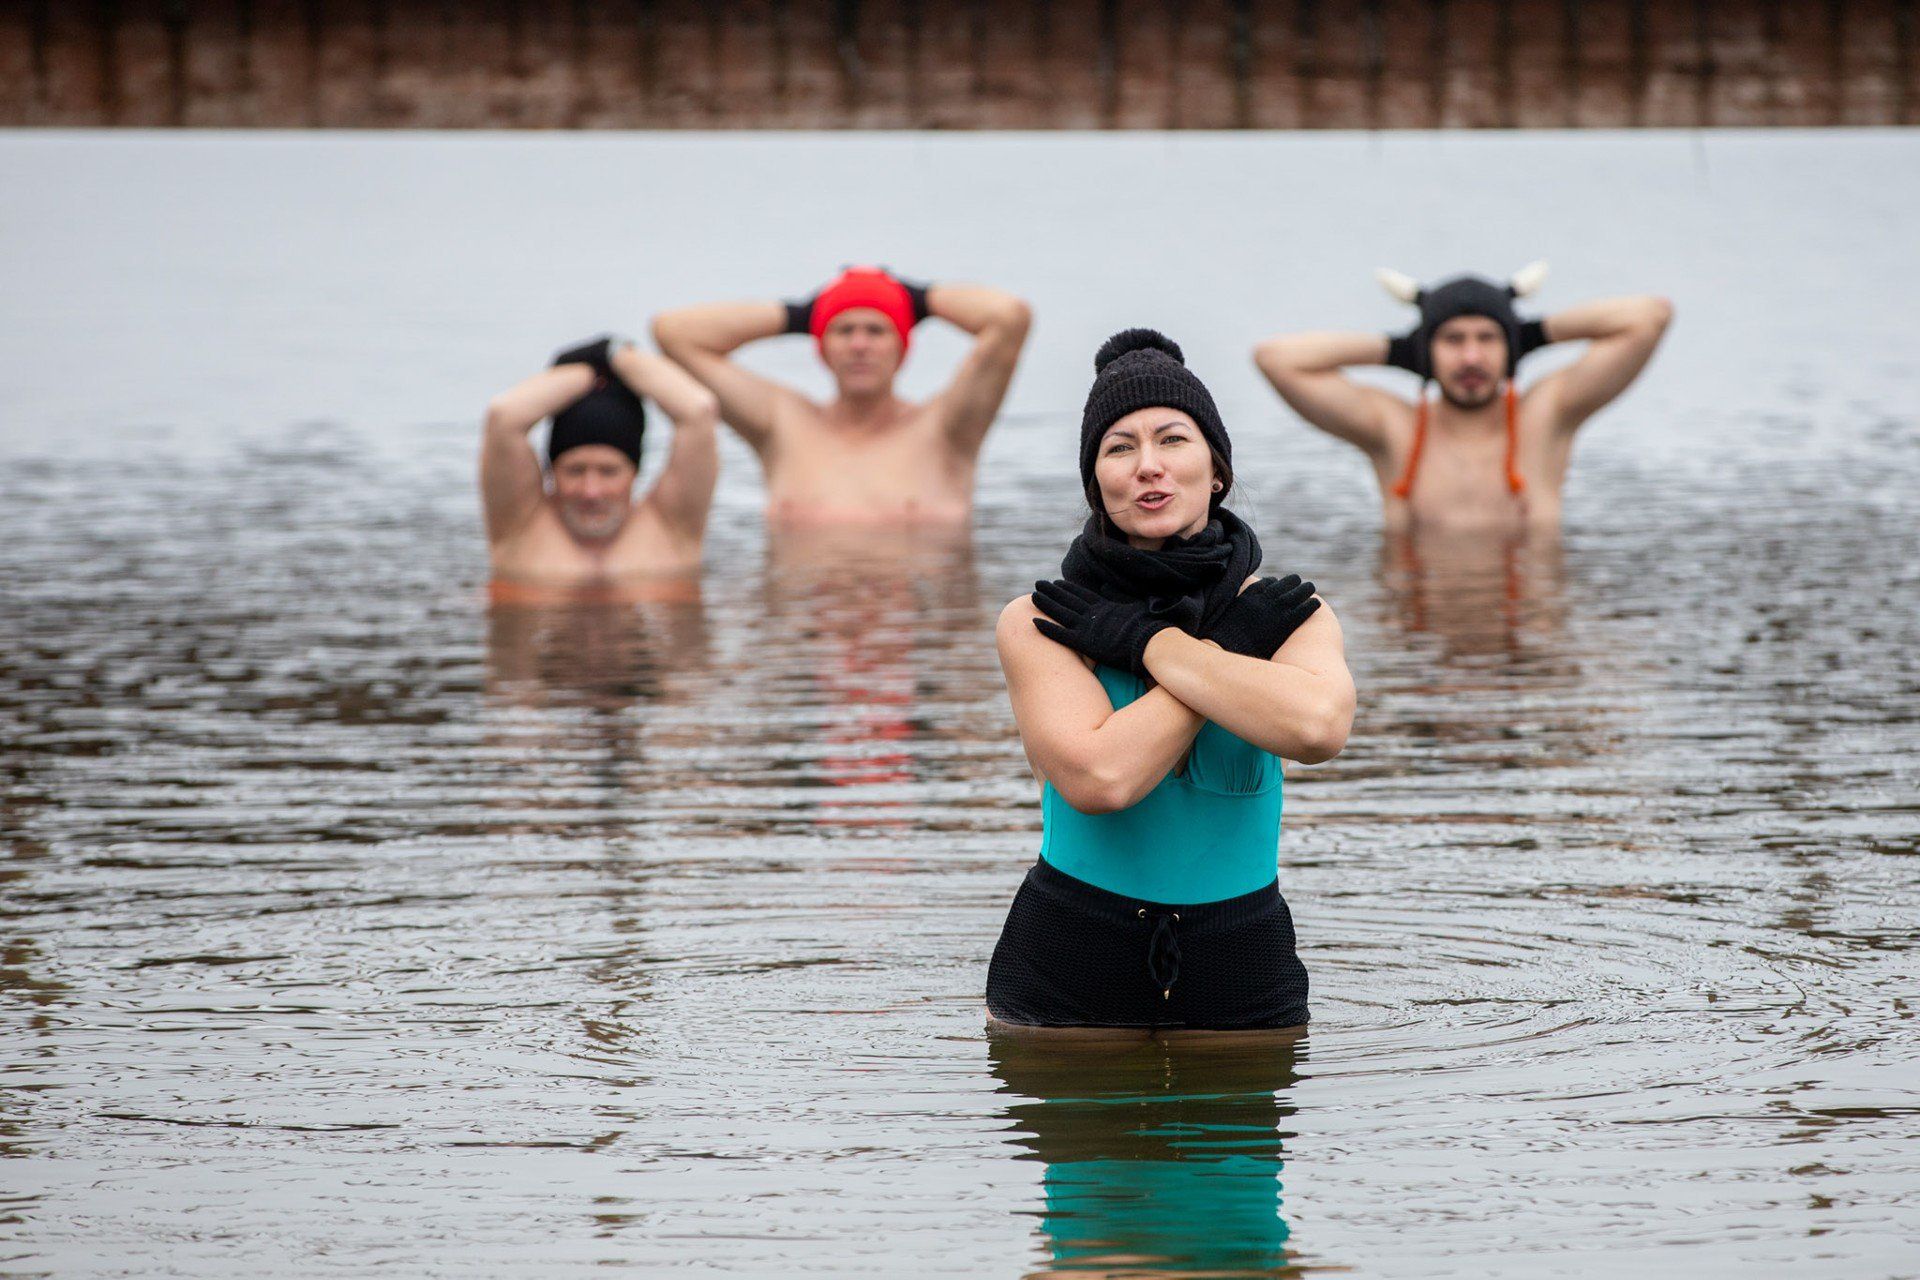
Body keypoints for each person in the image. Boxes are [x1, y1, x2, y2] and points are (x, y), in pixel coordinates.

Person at [987, 329, 1355, 1034]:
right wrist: (1223, 655)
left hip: (1244, 970)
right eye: (1119, 448)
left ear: (1216, 469)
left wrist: (1154, 644)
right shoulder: (1040, 620)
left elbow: (1316, 729)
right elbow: (1102, 780)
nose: (1148, 466)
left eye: (1173, 440)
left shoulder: (1284, 614)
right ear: (1096, 482)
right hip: (1067, 969)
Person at [1252, 264, 1673, 530]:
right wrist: (1400, 351)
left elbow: (1650, 316)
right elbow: (1276, 359)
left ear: (1509, 347)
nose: (1471, 356)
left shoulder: (1546, 416)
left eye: (1488, 338)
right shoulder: (1393, 429)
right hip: (1422, 645)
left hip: (1527, 640)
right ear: (1427, 349)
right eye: (1453, 340)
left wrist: (1529, 334)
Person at [651, 266, 1031, 526]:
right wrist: (802, 314)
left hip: (920, 633)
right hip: (805, 636)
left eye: (876, 330)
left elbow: (1009, 318)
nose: (859, 345)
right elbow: (674, 333)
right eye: (843, 330)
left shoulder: (947, 430)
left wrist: (914, 298)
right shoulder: (781, 425)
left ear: (901, 346)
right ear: (821, 345)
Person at [480, 335, 720, 595]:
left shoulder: (672, 527)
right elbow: (503, 416)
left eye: (608, 471)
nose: (591, 491)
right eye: (575, 470)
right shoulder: (520, 527)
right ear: (550, 470)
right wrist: (588, 367)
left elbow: (699, 410)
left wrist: (615, 354)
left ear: (634, 471)